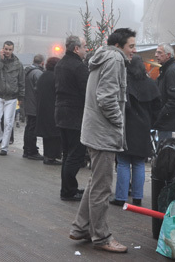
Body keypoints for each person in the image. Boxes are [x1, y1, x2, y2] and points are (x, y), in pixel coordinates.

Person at [69, 28, 137, 253]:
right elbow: (107, 98)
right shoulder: (115, 59)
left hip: (95, 131)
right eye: (131, 46)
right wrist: (118, 123)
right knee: (102, 187)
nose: (134, 51)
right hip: (103, 133)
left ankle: (81, 227)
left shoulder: (104, 57)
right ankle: (101, 236)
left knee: (95, 183)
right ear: (119, 46)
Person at [111, 55, 161, 207]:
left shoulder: (125, 83)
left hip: (126, 126)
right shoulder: (151, 85)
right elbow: (157, 108)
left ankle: (121, 197)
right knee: (139, 163)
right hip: (144, 127)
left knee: (123, 162)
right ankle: (138, 197)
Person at [55, 35, 89, 201]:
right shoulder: (79, 67)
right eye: (84, 47)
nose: (86, 49)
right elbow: (86, 92)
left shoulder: (60, 64)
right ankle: (68, 191)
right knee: (75, 154)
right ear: (76, 48)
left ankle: (68, 188)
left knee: (67, 153)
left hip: (61, 112)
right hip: (75, 114)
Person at [0, 41, 25, 156]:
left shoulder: (18, 64)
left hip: (11, 96)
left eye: (10, 49)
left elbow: (21, 81)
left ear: (12, 50)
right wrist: (1, 60)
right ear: (3, 48)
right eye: (6, 49)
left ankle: (4, 147)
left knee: (8, 123)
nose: (8, 51)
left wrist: (21, 96)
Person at [152, 43, 175, 143]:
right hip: (168, 124)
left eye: (159, 52)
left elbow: (174, 100)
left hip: (171, 126)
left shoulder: (171, 71)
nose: (156, 55)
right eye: (156, 52)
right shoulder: (167, 71)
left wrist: (160, 116)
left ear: (168, 55)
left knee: (167, 156)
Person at [35, 57, 63, 164]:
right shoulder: (55, 77)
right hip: (52, 108)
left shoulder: (43, 76)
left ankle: (47, 155)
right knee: (54, 135)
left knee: (47, 135)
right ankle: (52, 157)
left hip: (42, 108)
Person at [22, 54, 45, 160]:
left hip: (28, 103)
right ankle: (32, 151)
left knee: (28, 127)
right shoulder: (38, 73)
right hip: (35, 104)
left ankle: (26, 150)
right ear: (42, 63)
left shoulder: (27, 71)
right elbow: (41, 89)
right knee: (32, 129)